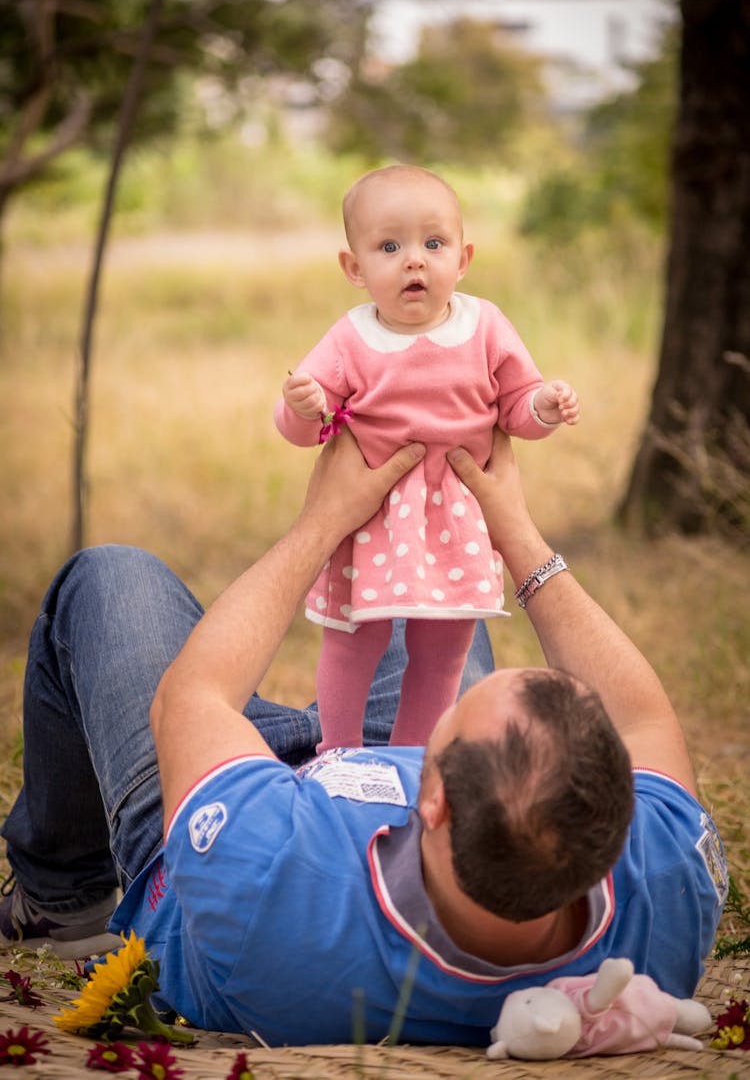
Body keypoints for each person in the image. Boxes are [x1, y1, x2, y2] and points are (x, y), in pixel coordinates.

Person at [0, 429, 726, 1049]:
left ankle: (62, 898)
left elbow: (190, 698)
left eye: (456, 711)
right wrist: (516, 533)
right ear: (616, 808)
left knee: (110, 578)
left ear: (431, 798)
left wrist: (321, 522)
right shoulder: (664, 890)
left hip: (224, 829)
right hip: (348, 799)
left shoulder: (262, 890)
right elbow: (647, 721)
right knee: (426, 600)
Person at [275, 164, 580, 752]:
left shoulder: (484, 325)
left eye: (432, 243)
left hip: (455, 519)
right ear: (355, 269)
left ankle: (411, 758)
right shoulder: (350, 338)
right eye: (389, 246)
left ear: (462, 260)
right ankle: (338, 752)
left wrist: (543, 405)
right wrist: (302, 405)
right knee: (351, 643)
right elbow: (304, 430)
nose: (414, 260)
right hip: (370, 516)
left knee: (443, 653)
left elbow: (514, 407)